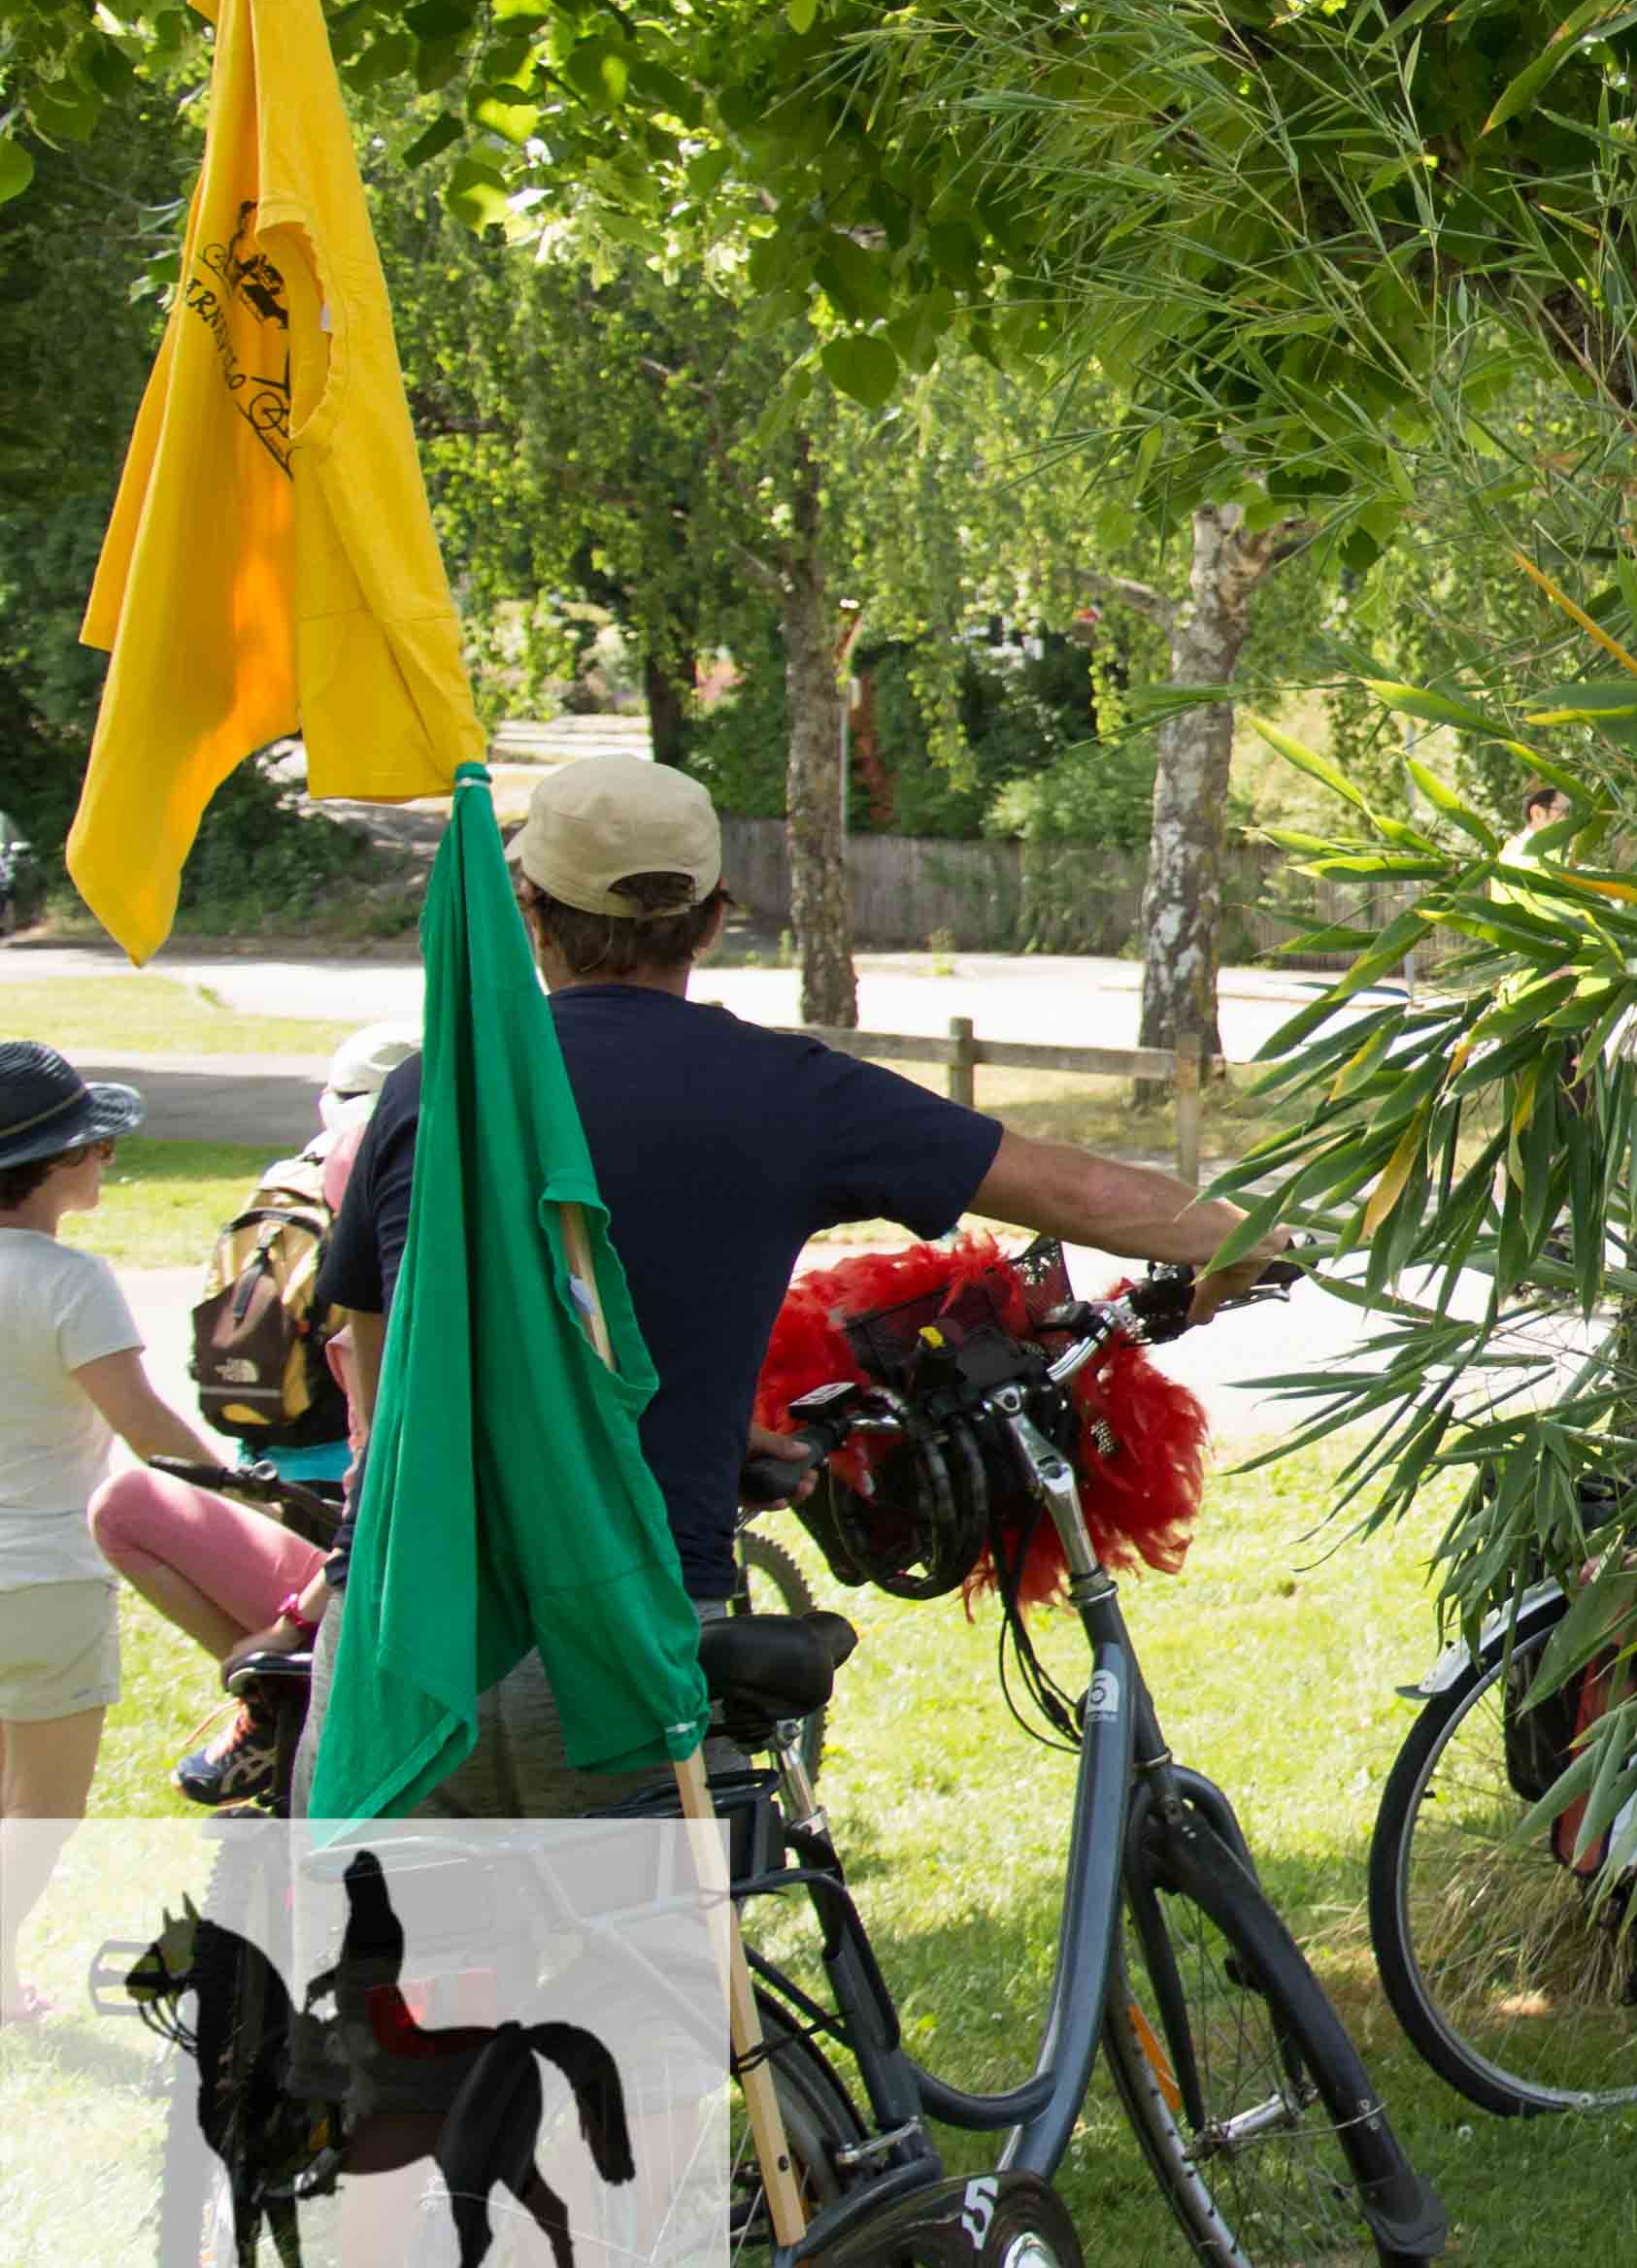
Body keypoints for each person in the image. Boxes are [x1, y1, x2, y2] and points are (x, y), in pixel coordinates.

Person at [306, 755, 1278, 1818]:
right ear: (714, 917)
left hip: (399, 1640)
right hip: (612, 1639)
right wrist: (1241, 1237)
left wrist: (706, 1440)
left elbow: (386, 1360)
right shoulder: (782, 1091)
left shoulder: (428, 1091)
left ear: (530, 911)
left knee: (392, 1974)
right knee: (640, 1982)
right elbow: (1069, 1186)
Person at [91, 1019, 415, 1803]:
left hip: (368, 1574)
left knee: (125, 1507)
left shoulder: (288, 1198)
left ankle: (277, 1703)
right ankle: (277, 1703)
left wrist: (292, 1628)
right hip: (366, 1547)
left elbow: (386, 1504)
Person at [0, 1045, 224, 2020]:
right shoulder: (68, 1281)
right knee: (43, 1804)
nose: (106, 1156)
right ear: (51, 1164)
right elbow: (148, 1431)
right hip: (47, 1575)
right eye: (94, 1142)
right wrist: (248, 1495)